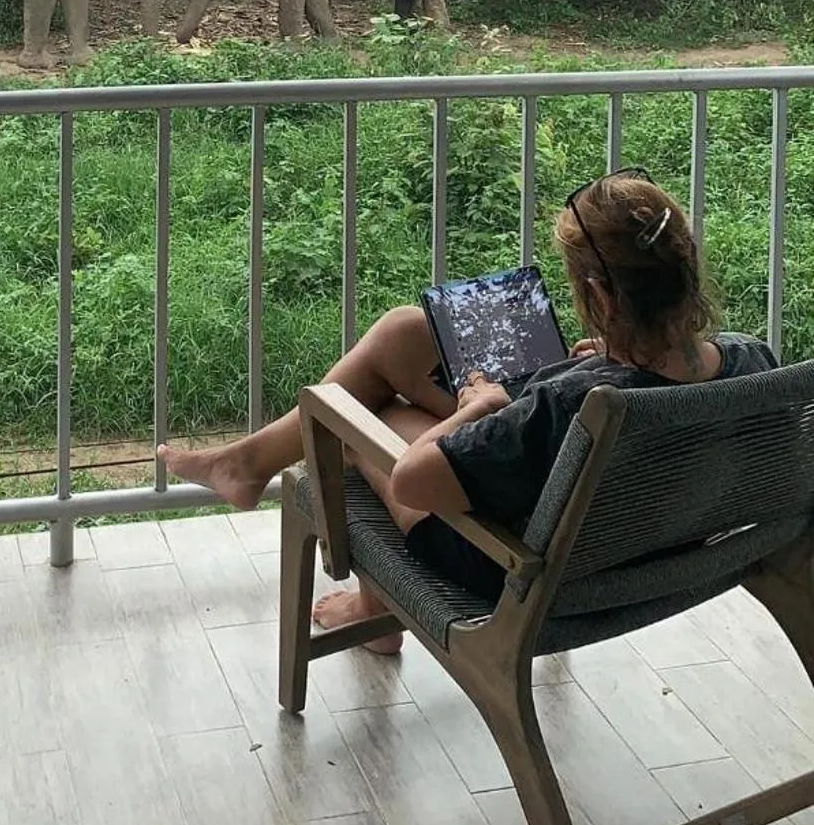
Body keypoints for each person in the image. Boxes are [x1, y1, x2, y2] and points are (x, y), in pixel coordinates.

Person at [160, 170, 776, 652]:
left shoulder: (574, 404)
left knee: (353, 417)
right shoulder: (752, 360)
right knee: (402, 337)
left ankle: (367, 602)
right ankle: (249, 466)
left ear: (601, 297)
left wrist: (479, 407)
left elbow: (413, 481)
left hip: (511, 562)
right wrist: (611, 354)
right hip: (649, 544)